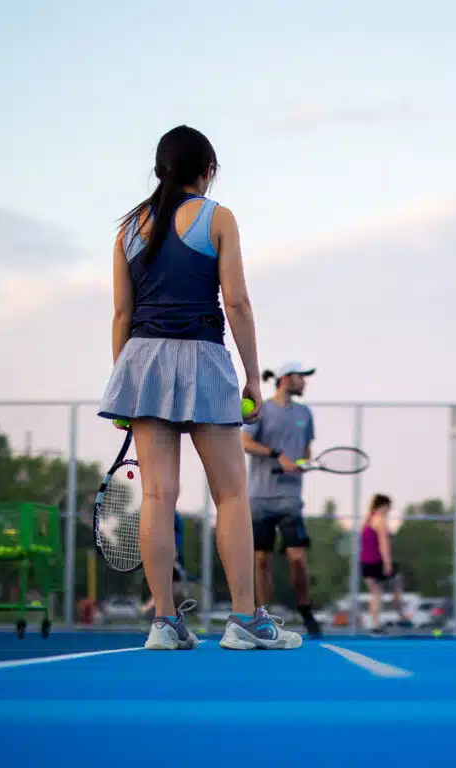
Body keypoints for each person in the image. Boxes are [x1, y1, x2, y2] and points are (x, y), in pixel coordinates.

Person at [97, 125, 301, 651]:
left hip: (140, 361)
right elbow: (237, 303)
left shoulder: (127, 230)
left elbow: (122, 313)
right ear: (206, 169)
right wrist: (255, 377)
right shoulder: (218, 217)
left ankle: (164, 622)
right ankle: (245, 619)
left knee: (157, 496)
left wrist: (124, 385)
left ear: (161, 168)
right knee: (231, 493)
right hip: (203, 356)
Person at [241, 361, 323, 638]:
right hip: (259, 498)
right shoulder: (262, 410)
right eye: (302, 377)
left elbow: (306, 448)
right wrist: (277, 455)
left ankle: (306, 609)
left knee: (297, 558)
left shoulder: (304, 413)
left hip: (290, 498)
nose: (305, 382)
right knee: (261, 559)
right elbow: (244, 442)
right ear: (286, 378)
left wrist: (302, 462)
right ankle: (262, 615)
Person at [359, 493, 408, 633]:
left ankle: (375, 624)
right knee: (397, 582)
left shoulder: (367, 520)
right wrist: (387, 563)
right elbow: (383, 543)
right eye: (389, 507)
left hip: (365, 562)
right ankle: (401, 615)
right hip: (377, 561)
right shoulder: (380, 520)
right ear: (383, 506)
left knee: (376, 593)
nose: (389, 510)